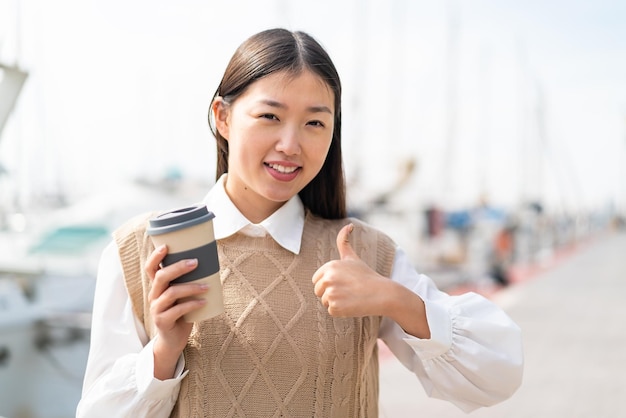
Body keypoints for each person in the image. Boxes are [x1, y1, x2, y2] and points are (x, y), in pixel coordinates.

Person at [76, 28, 523, 417]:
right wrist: (163, 351)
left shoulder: (366, 254)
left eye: (314, 123)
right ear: (223, 117)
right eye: (270, 116)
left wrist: (393, 298)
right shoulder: (141, 248)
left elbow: (498, 373)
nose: (290, 144)